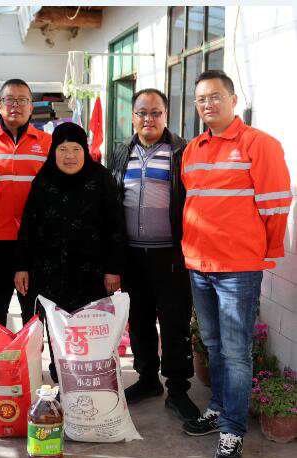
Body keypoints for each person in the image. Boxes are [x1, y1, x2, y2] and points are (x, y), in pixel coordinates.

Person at [181, 70, 291, 458]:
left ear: (233, 99)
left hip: (237, 269)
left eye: (215, 96)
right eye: (201, 99)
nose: (207, 104)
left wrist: (265, 251)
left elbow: (276, 205)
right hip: (199, 264)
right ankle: (219, 408)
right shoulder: (193, 149)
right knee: (213, 345)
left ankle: (232, 431)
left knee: (236, 352)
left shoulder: (259, 144)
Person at [109, 88, 200, 422]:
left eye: (155, 112)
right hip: (132, 255)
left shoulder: (182, 151)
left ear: (166, 115)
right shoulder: (121, 151)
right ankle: (148, 379)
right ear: (132, 116)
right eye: (142, 113)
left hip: (171, 256)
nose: (148, 119)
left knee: (174, 322)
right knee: (139, 320)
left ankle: (177, 389)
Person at [14, 122, 123, 380]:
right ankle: (60, 377)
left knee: (88, 332)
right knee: (56, 329)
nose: (69, 156)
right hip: (49, 274)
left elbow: (116, 226)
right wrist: (21, 266)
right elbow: (28, 226)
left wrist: (113, 268)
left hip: (92, 274)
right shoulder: (43, 180)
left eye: (76, 149)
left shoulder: (101, 178)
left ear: (85, 150)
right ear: (54, 151)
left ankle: (87, 382)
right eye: (63, 149)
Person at [0, 79, 52, 327]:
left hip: (35, 241)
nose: (16, 105)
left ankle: (31, 354)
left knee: (33, 312)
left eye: (22, 100)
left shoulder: (47, 144)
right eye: (10, 100)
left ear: (31, 106)